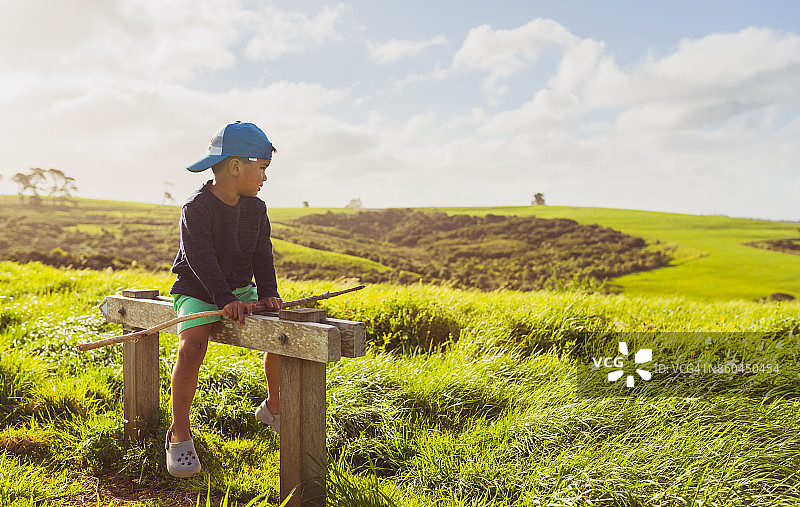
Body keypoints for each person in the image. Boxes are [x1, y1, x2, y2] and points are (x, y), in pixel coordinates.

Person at [166, 121, 283, 478]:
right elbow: (200, 257)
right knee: (192, 348)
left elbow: (263, 253)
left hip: (239, 291)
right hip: (200, 290)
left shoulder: (256, 209)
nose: (264, 178)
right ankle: (179, 432)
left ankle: (273, 408)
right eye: (261, 169)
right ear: (235, 166)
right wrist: (223, 298)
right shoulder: (197, 208)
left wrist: (268, 293)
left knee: (282, 337)